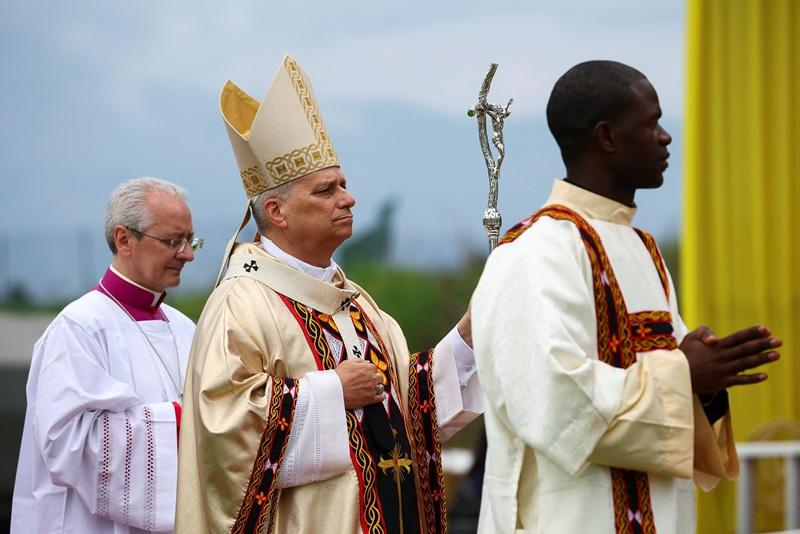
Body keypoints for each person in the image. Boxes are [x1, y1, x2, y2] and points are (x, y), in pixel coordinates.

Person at [471, 60, 782, 534]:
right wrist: (684, 373)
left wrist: (707, 384)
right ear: (607, 137)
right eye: (651, 122)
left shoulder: (644, 249)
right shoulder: (533, 253)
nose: (665, 137)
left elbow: (670, 387)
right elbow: (555, 400)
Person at [175, 55, 482, 534]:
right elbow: (222, 433)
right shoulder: (242, 303)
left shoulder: (357, 303)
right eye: (326, 190)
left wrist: (468, 337)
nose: (349, 198)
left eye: (344, 184)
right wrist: (332, 390)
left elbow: (405, 406)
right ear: (275, 210)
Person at [11, 177, 203, 533]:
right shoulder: (78, 329)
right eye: (173, 241)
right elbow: (68, 444)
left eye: (190, 241)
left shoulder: (185, 328)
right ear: (124, 239)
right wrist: (183, 422)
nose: (187, 254)